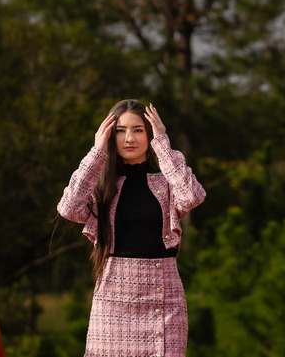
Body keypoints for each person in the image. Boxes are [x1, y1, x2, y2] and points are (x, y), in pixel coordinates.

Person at [57, 99, 205, 357]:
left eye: (138, 130)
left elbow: (192, 196)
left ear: (150, 133)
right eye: (120, 130)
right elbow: (68, 208)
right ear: (110, 135)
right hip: (112, 301)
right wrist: (97, 153)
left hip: (165, 300)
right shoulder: (102, 185)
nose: (129, 138)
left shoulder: (166, 182)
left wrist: (163, 144)